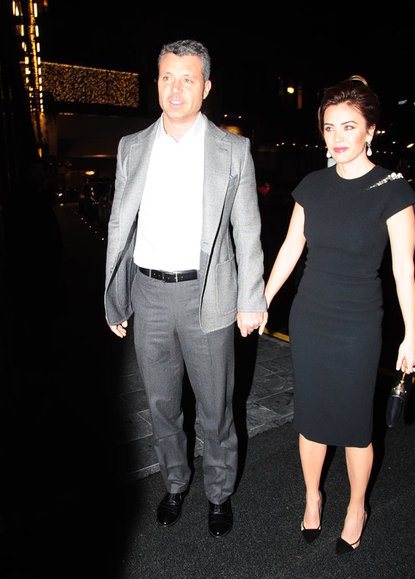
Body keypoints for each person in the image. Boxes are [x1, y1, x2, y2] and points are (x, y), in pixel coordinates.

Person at [104, 40, 267, 538]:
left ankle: (218, 493)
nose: (176, 88)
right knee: (161, 404)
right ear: (157, 83)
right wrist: (116, 296)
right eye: (167, 77)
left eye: (187, 79)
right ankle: (175, 482)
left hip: (208, 295)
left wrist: (251, 298)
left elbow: (247, 230)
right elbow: (120, 226)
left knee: (216, 407)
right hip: (149, 293)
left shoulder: (232, 150)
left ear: (206, 87)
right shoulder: (132, 147)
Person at [264, 76, 415, 554]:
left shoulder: (392, 190)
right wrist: (263, 298)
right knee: (310, 418)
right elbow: (291, 248)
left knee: (354, 424)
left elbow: (404, 269)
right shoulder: (312, 186)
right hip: (311, 318)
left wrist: (411, 334)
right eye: (329, 127)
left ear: (370, 130)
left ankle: (356, 506)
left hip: (358, 325)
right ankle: (312, 496)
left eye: (349, 126)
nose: (337, 136)